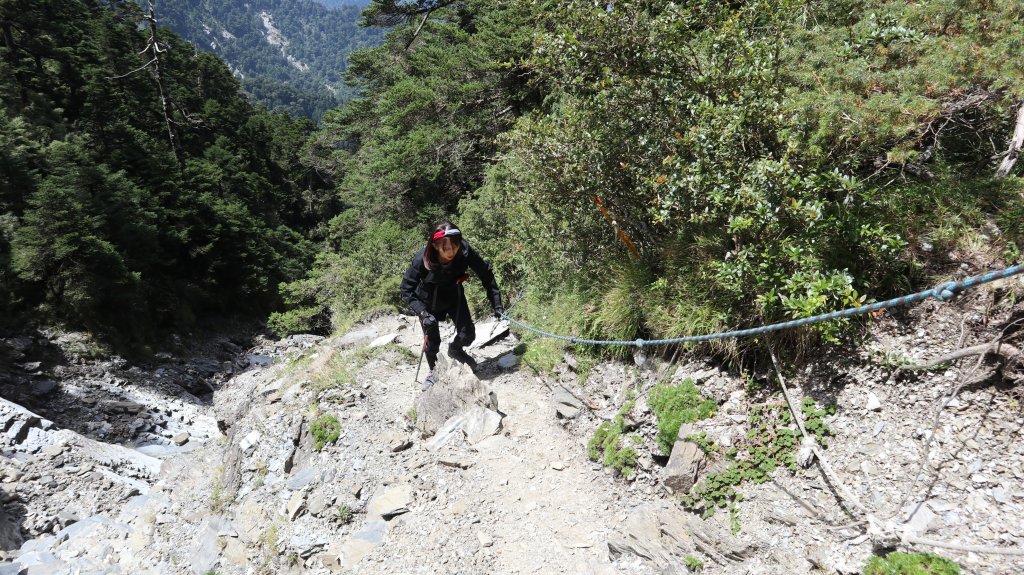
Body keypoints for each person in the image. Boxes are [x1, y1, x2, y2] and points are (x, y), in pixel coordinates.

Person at [400, 222, 503, 389]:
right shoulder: (423, 258)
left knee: (467, 334)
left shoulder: (465, 251)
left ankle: (455, 349)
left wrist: (496, 303)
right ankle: (433, 371)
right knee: (432, 342)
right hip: (428, 301)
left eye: (454, 247)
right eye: (444, 248)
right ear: (434, 246)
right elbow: (406, 289)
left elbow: (486, 274)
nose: (450, 253)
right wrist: (423, 313)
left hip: (454, 296)